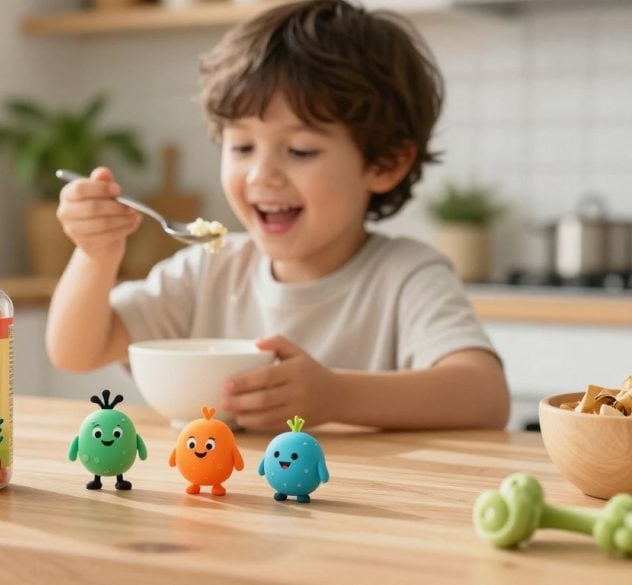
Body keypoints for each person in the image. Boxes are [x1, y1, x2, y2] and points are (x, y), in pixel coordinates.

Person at [46, 0, 509, 431]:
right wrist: (95, 256)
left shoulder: (406, 277)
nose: (262, 175)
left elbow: (485, 396)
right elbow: (76, 350)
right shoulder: (210, 267)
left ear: (384, 164)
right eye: (242, 146)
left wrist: (337, 397)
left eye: (300, 150)